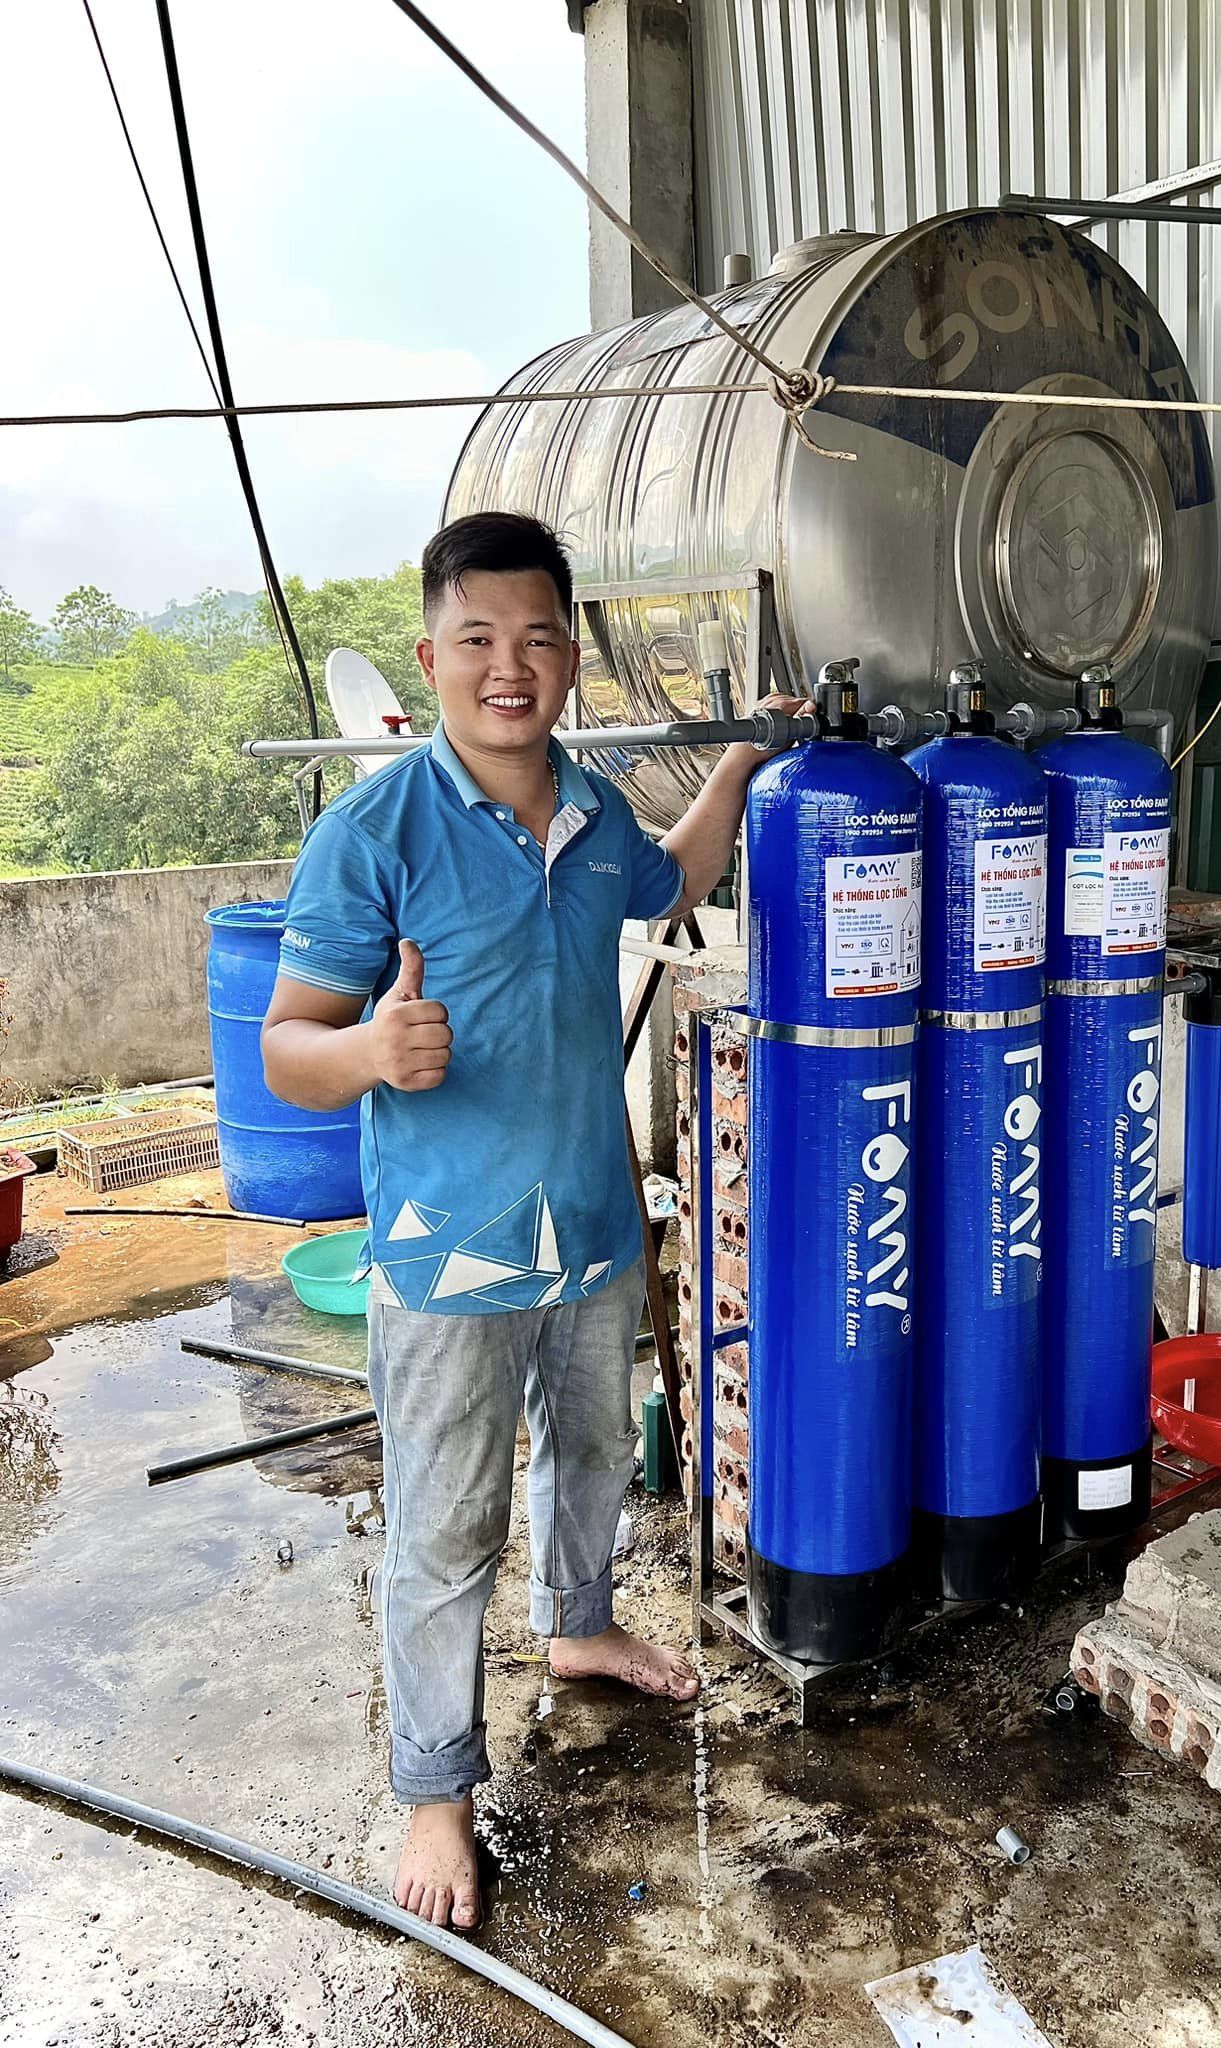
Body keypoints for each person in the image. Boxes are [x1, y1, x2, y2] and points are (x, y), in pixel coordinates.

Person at [262, 510, 802, 1933]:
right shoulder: (372, 832)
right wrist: (368, 1051)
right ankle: (436, 1787)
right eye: (480, 639)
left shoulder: (594, 816)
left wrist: (740, 765)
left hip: (594, 1224)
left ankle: (578, 1627)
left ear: (571, 659)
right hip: (448, 1250)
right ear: (432, 656)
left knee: (596, 1451)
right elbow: (284, 1049)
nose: (511, 667)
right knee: (447, 1525)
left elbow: (677, 876)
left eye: (540, 639)